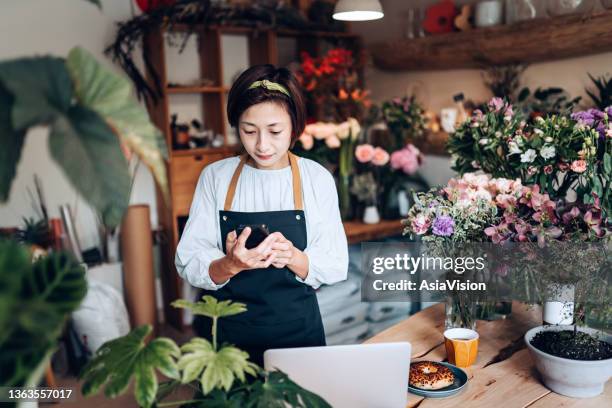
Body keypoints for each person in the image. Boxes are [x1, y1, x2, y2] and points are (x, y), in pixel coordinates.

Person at [175, 64, 349, 365]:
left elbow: (336, 264)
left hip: (298, 335)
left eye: (275, 131)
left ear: (295, 126)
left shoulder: (315, 178)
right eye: (249, 131)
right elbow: (188, 260)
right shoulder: (216, 177)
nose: (262, 145)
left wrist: (293, 256)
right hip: (228, 339)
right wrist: (229, 264)